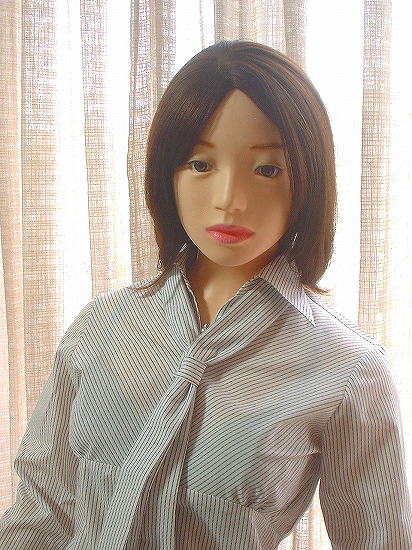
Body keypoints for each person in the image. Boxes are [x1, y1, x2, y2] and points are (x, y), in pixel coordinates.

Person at [1, 39, 411, 550]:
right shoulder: (100, 328)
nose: (229, 200)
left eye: (267, 169)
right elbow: (41, 512)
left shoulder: (347, 369)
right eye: (200, 164)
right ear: (167, 174)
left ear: (308, 182)